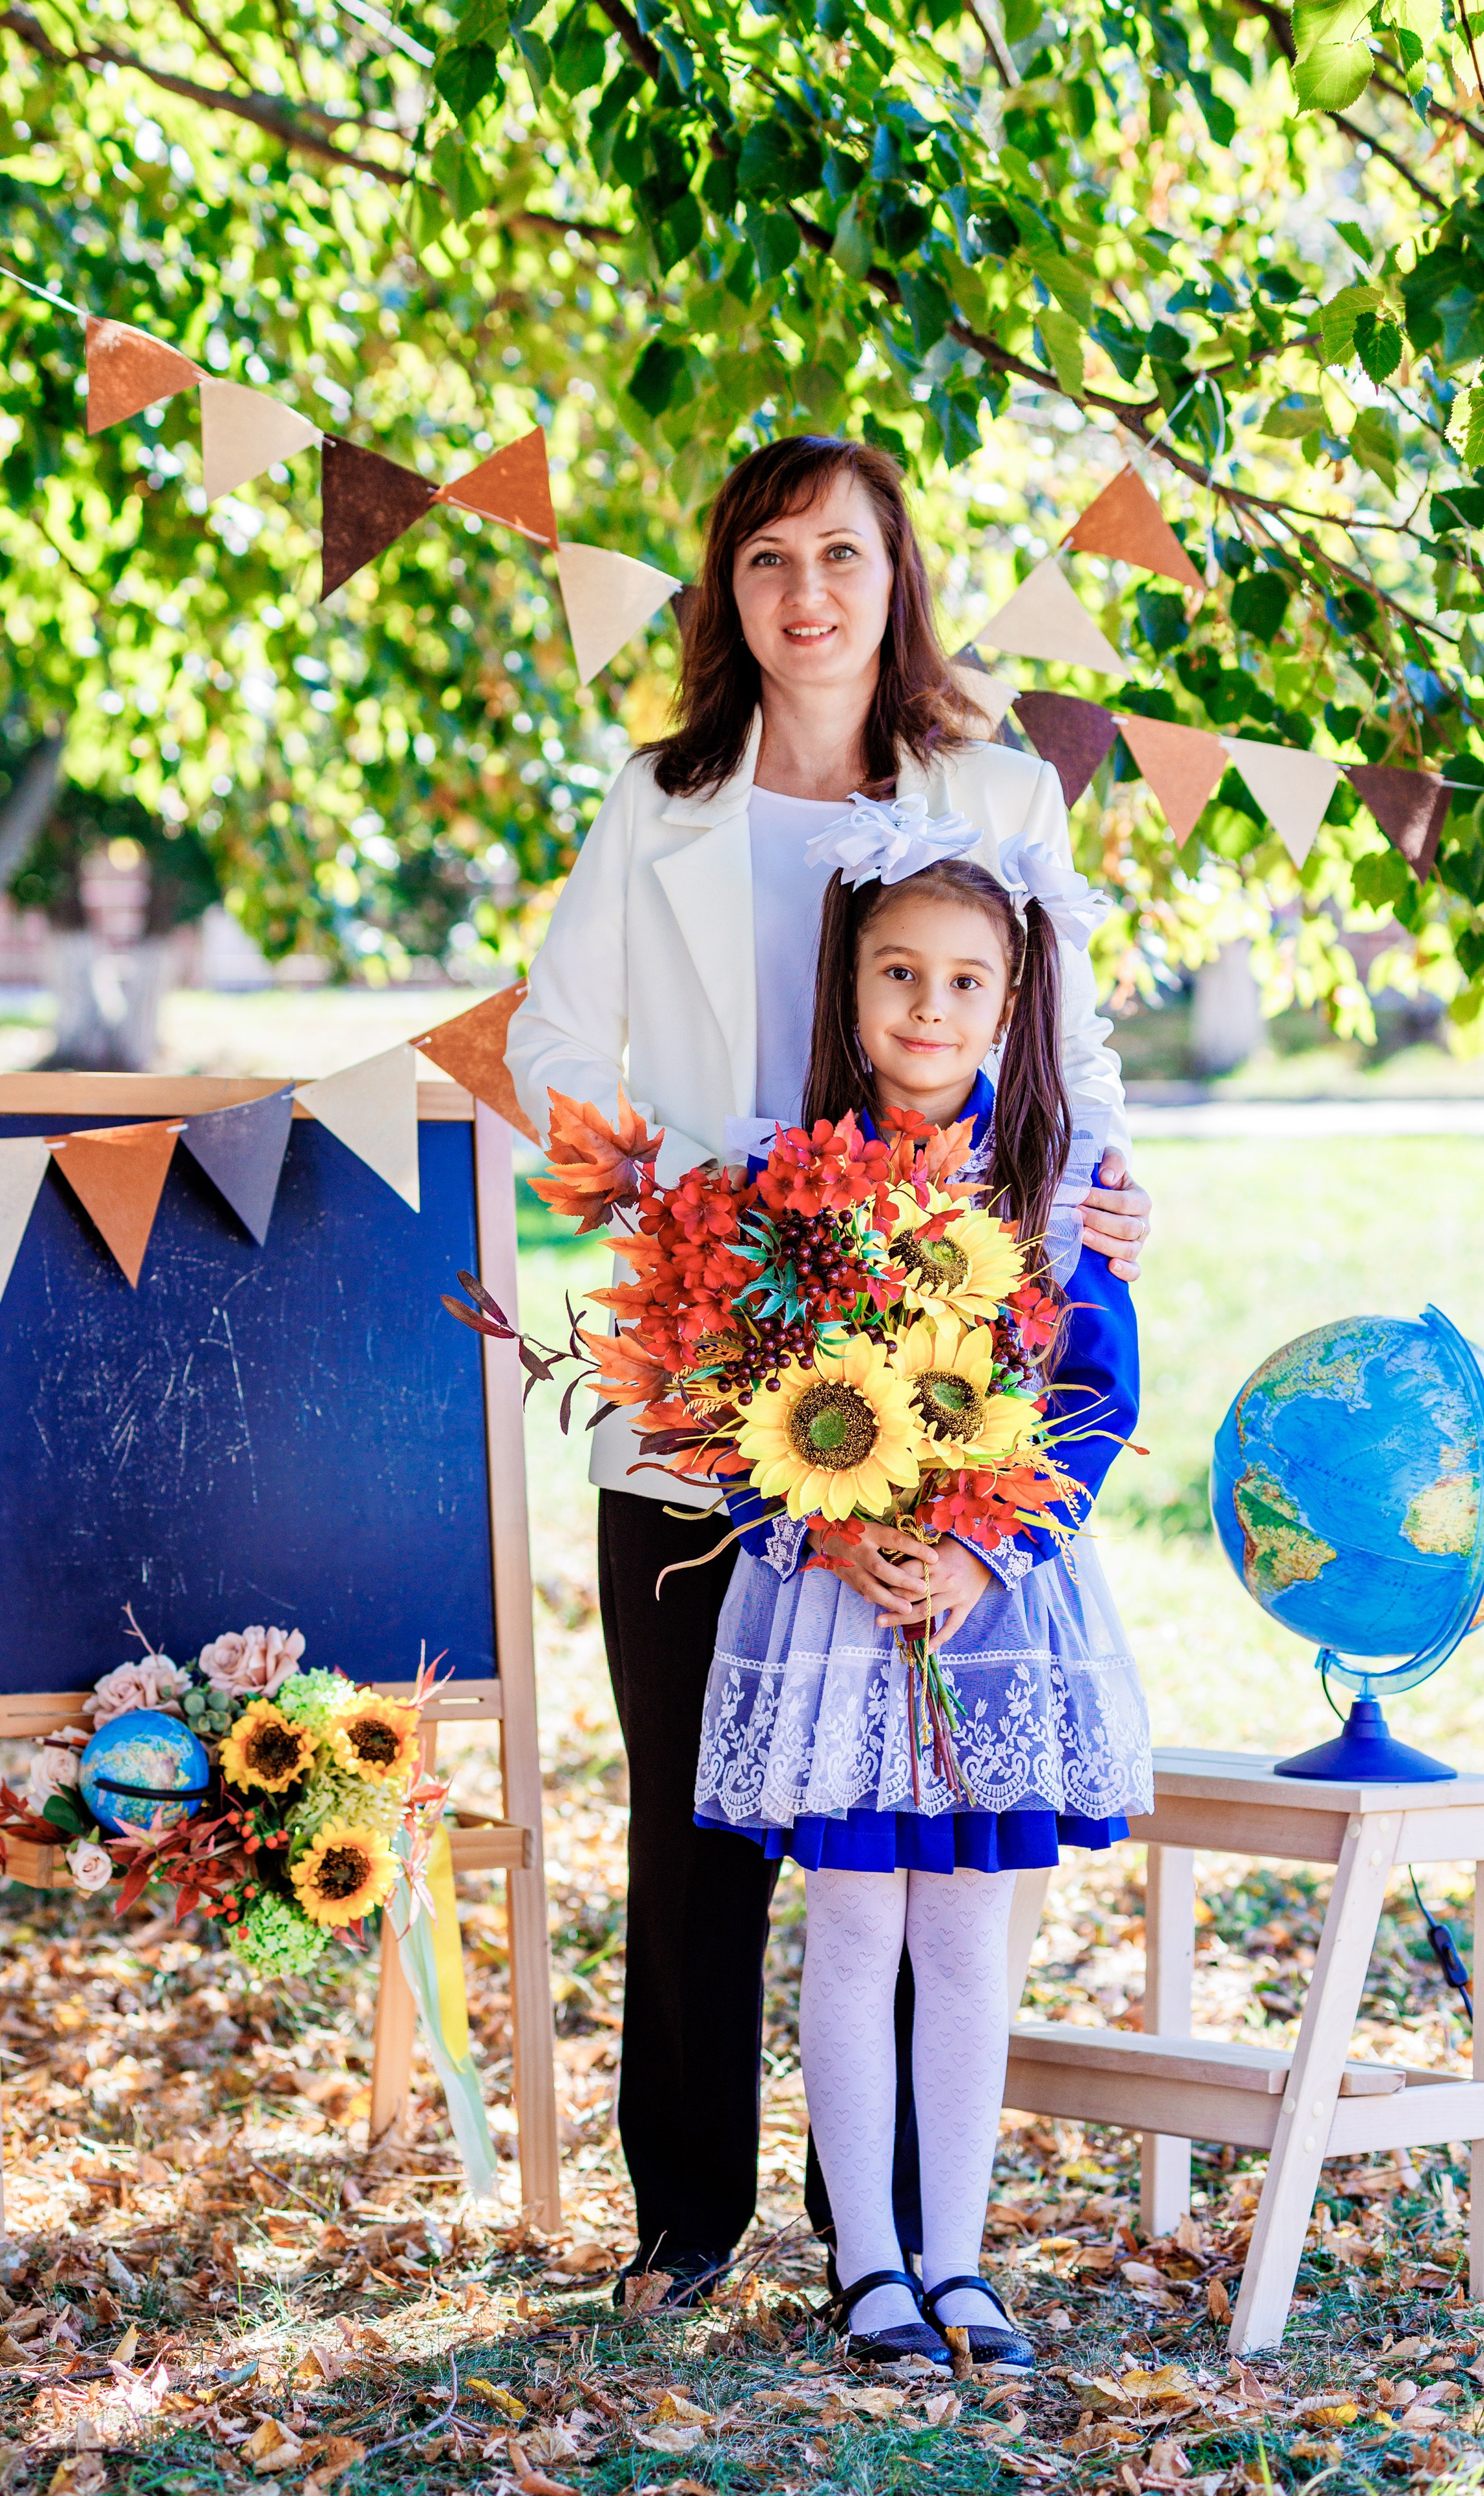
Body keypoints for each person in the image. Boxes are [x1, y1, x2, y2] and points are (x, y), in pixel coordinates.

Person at [506, 434, 1153, 2300]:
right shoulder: (661, 799)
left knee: (899, 1819)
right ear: (725, 587)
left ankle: (876, 2227)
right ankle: (689, 2215)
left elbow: (1072, 1050)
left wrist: (1103, 1204)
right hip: (716, 1368)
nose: (806, 591)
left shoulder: (995, 783)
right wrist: (688, 1193)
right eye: (769, 556)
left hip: (938, 1369)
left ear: (898, 578)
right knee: (703, 1806)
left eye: (844, 555)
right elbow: (556, 1036)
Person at [693, 814, 1149, 2369]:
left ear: (1012, 1003)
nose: (928, 1010)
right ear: (850, 987)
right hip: (835, 1597)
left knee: (967, 1941)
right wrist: (832, 1528)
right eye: (898, 974)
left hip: (991, 1604)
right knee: (854, 1924)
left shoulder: (1061, 1185)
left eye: (964, 981)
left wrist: (975, 1551)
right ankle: (867, 2265)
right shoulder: (784, 1180)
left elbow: (1093, 1394)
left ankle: (959, 2262)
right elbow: (728, 1386)